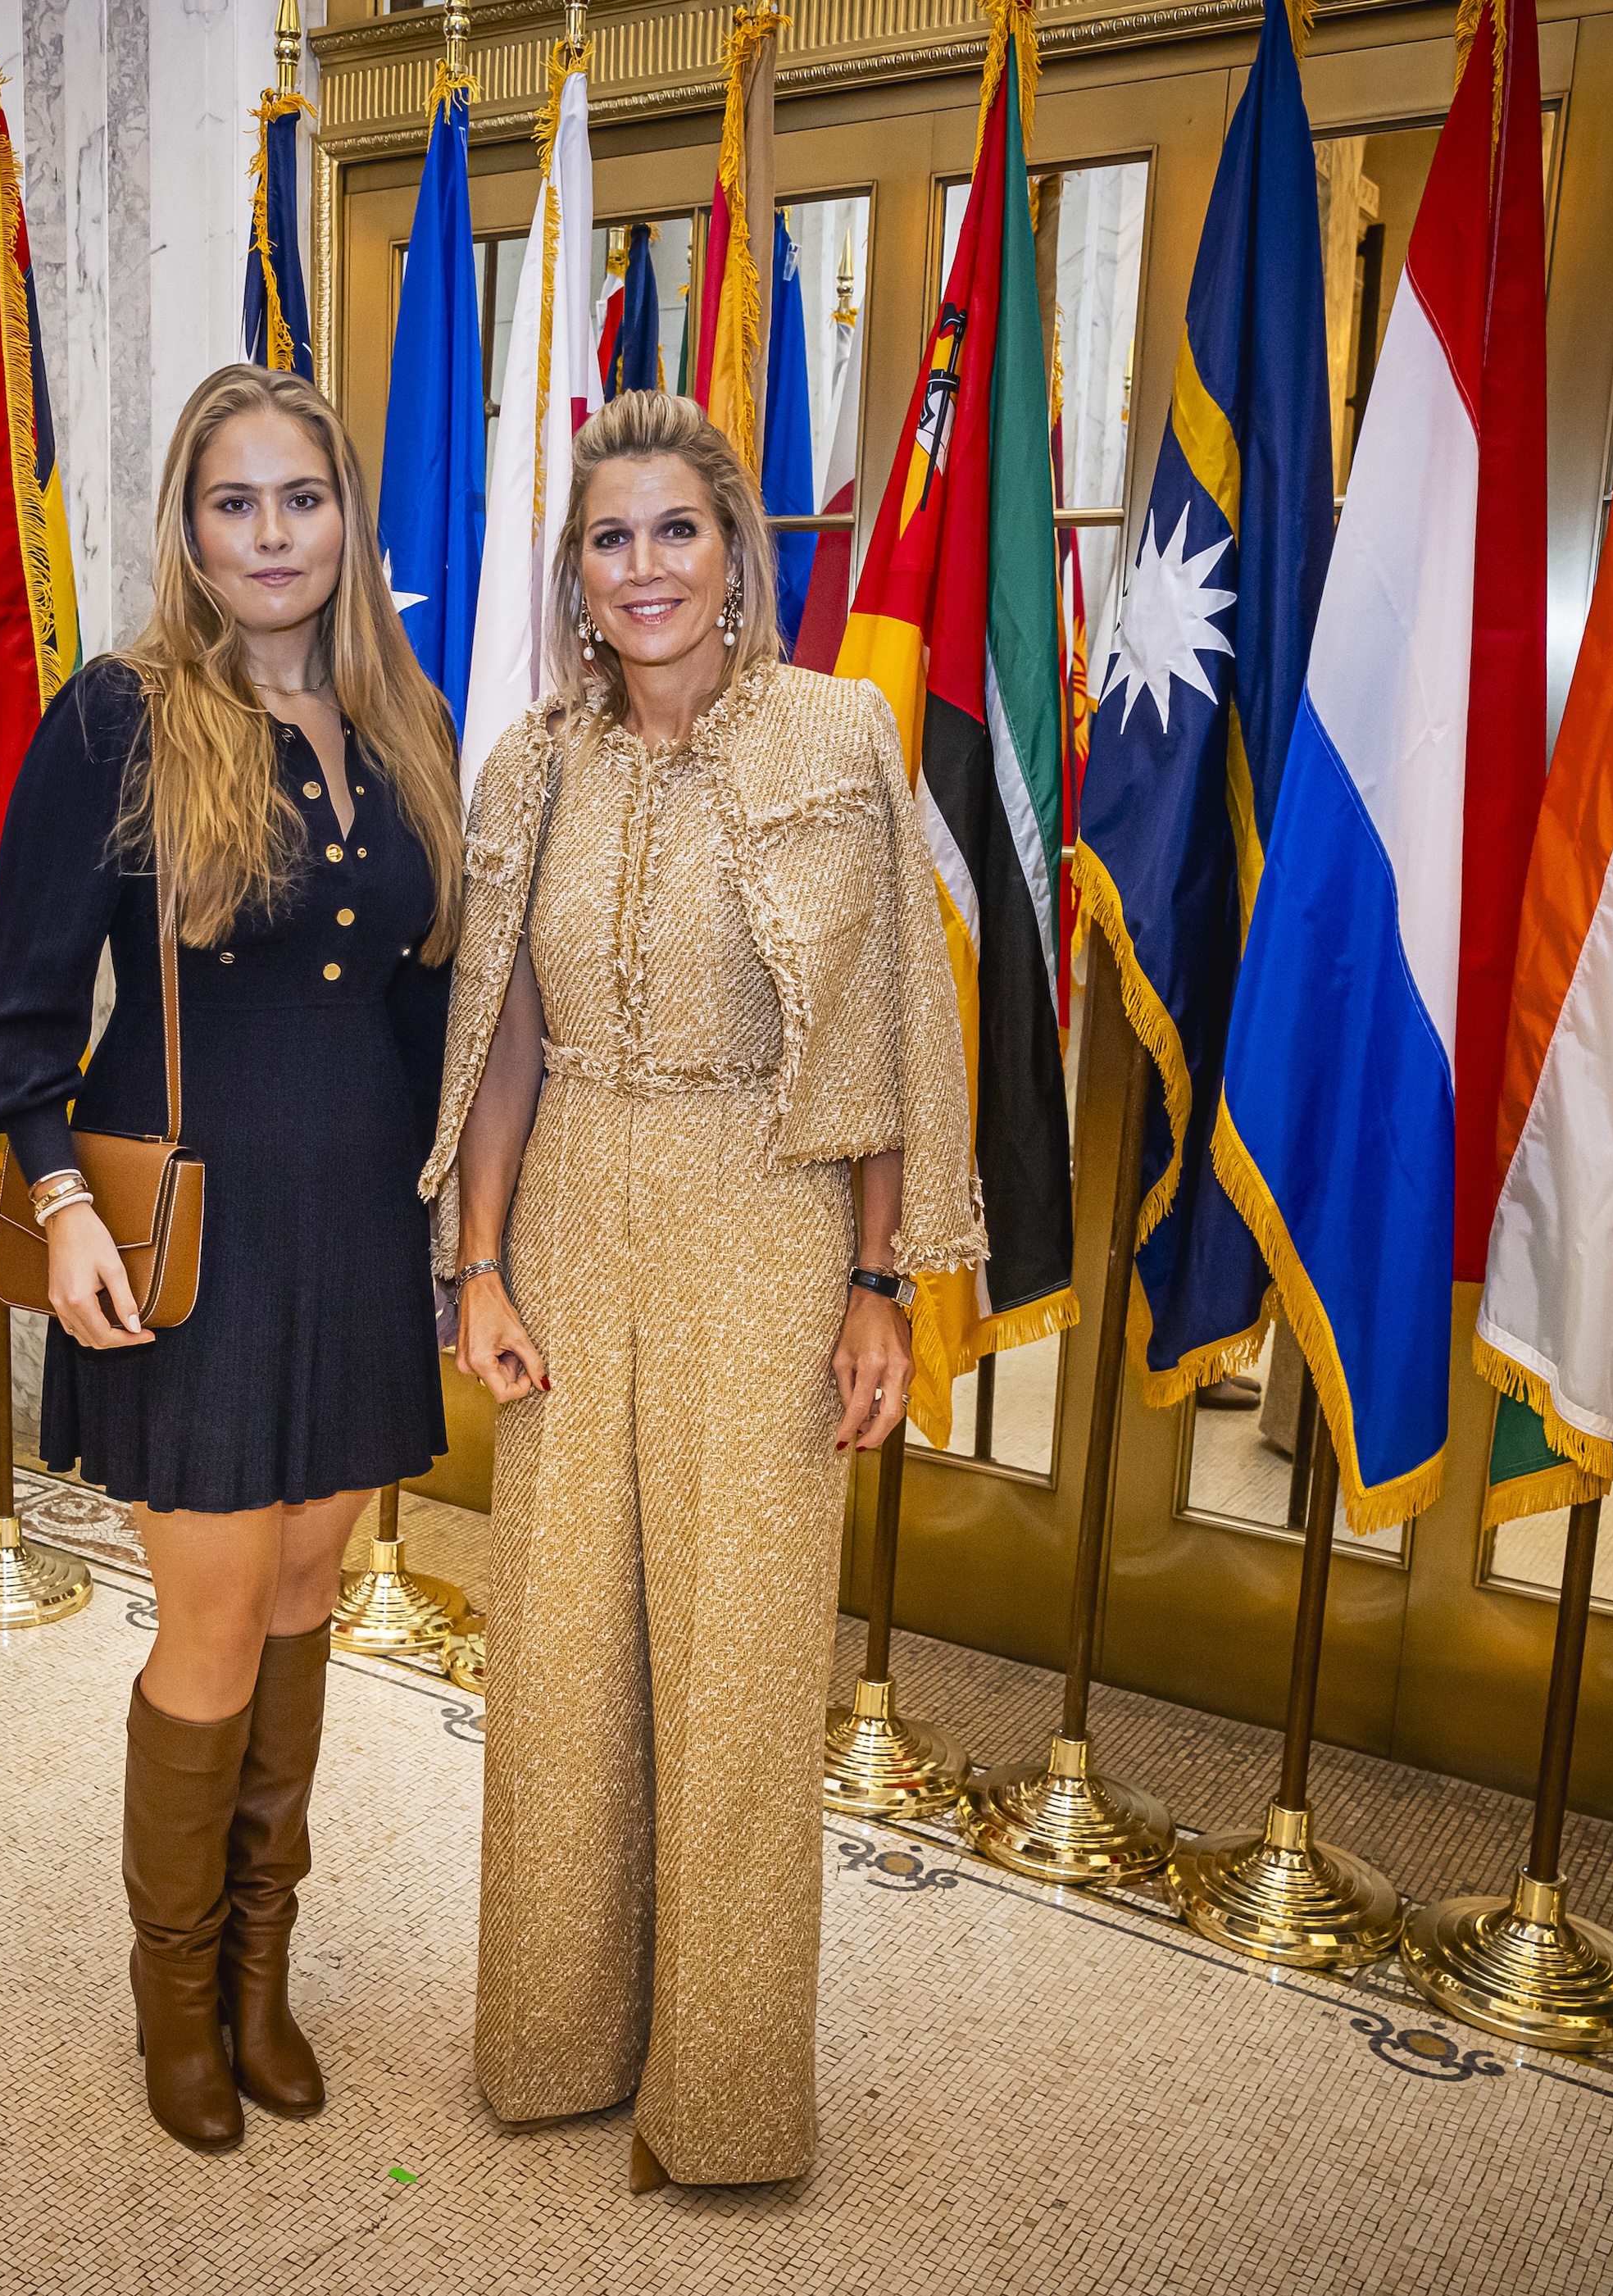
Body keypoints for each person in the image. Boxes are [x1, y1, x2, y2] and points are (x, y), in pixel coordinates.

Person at [424, 391, 984, 2192]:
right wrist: (480, 1263)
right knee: (565, 1648)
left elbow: (895, 1026)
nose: (644, 567)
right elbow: (502, 1037)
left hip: (769, 1216)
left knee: (740, 1665)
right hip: (576, 1201)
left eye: (676, 530)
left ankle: (727, 2101)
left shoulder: (841, 736)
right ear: (578, 575)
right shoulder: (527, 765)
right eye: (610, 537)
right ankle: (561, 2044)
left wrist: (880, 1283)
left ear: (738, 554)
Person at [0, 365, 461, 2154]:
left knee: (317, 1590)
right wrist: (61, 1203)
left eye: (304, 500)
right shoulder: (117, 716)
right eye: (236, 503)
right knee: (214, 1618)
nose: (274, 535)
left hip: (356, 1227)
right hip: (189, 1235)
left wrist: (453, 1232)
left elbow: (429, 1001)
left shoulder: (404, 717)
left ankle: (266, 1977)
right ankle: (176, 1997)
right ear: (187, 526)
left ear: (347, 520)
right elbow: (16, 1008)